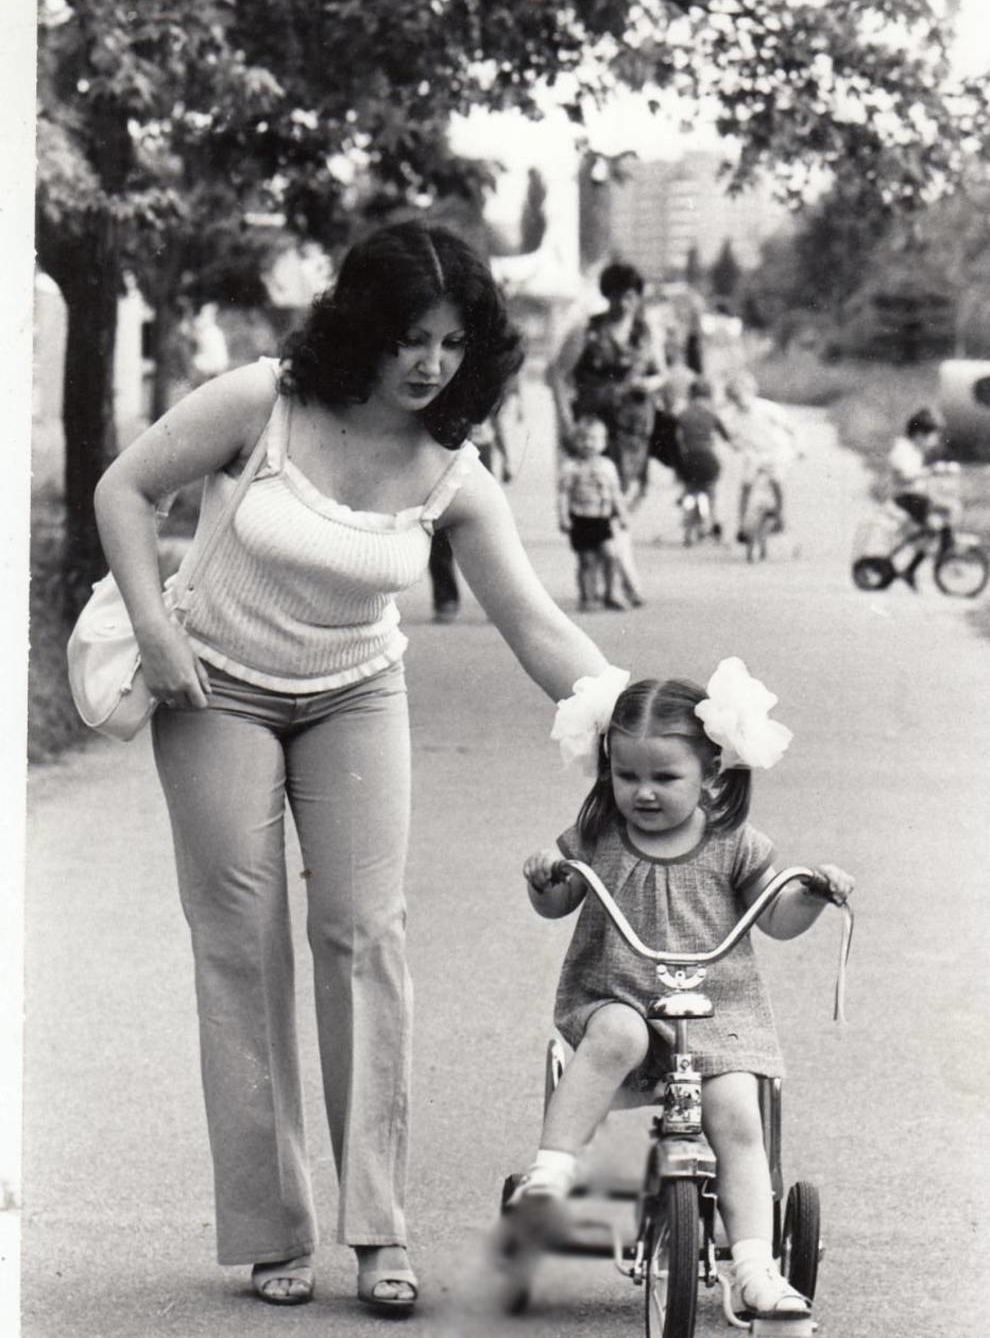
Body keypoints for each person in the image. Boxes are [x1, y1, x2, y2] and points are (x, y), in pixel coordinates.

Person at [93, 220, 617, 1315]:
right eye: (410, 337)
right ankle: (272, 1227)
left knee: (364, 936)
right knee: (241, 946)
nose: (430, 363)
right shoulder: (263, 403)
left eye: (452, 341)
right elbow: (125, 492)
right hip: (214, 687)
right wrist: (153, 627)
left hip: (354, 695)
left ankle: (379, 1229)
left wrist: (639, 710)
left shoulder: (452, 471)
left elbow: (533, 625)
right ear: (363, 330)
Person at [510, 662, 854, 1321]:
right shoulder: (599, 836)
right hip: (616, 992)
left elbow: (776, 919)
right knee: (618, 1033)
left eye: (665, 777)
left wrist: (809, 893)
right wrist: (544, 877)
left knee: (738, 1116)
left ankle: (754, 1265)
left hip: (717, 1012)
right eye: (626, 774)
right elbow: (558, 901)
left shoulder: (735, 844)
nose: (642, 791)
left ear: (711, 774)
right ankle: (551, 1173)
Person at [549, 262, 662, 467]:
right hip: (592, 427)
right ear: (607, 295)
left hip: (632, 429)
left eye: (629, 297)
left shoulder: (646, 333)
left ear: (637, 298)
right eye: (616, 296)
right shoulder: (587, 330)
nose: (623, 304)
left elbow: (662, 374)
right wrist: (566, 422)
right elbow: (557, 374)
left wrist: (648, 384)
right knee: (588, 489)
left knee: (623, 492)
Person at [427, 411, 513, 622]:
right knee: (439, 533)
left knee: (486, 537)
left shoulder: (485, 386)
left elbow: (496, 420)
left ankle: (496, 602)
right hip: (443, 453)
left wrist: (507, 457)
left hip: (480, 451)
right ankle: (446, 599)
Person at [557, 416, 643, 612]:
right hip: (580, 520)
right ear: (575, 442)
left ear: (603, 442)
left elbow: (616, 494)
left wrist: (623, 515)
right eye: (583, 439)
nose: (588, 444)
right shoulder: (570, 467)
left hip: (602, 520)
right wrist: (562, 517)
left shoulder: (608, 466)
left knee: (611, 555)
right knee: (586, 561)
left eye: (594, 439)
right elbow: (563, 495)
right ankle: (587, 596)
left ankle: (611, 593)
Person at [724, 374, 803, 543]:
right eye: (734, 397)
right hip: (754, 454)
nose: (739, 401)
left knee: (776, 480)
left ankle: (780, 517)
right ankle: (743, 525)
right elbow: (733, 437)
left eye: (741, 395)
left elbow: (791, 427)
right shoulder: (734, 416)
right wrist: (736, 445)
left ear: (751, 392)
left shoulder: (767, 408)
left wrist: (799, 447)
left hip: (776, 451)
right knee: (746, 484)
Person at [886, 408, 953, 588]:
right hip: (905, 497)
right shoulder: (901, 449)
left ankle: (914, 567)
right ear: (919, 435)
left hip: (913, 497)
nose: (933, 442)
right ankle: (946, 553)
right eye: (931, 437)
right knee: (939, 519)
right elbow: (904, 476)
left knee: (938, 522)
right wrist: (929, 472)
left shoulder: (913, 450)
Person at [674, 378, 732, 540]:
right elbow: (727, 437)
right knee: (712, 491)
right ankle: (713, 522)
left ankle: (687, 521)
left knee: (689, 488)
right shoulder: (712, 415)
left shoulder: (682, 414)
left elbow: (674, 437)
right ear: (709, 396)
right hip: (708, 459)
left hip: (687, 460)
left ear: (690, 395)